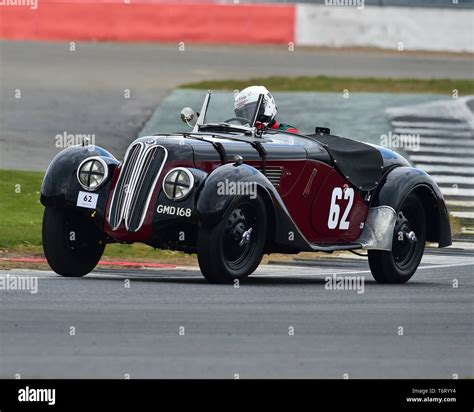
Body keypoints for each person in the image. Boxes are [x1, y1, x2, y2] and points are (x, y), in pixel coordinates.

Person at [234, 86, 300, 134]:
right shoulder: (243, 135)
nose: (247, 118)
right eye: (242, 115)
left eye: (251, 112)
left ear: (267, 106)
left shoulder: (288, 132)